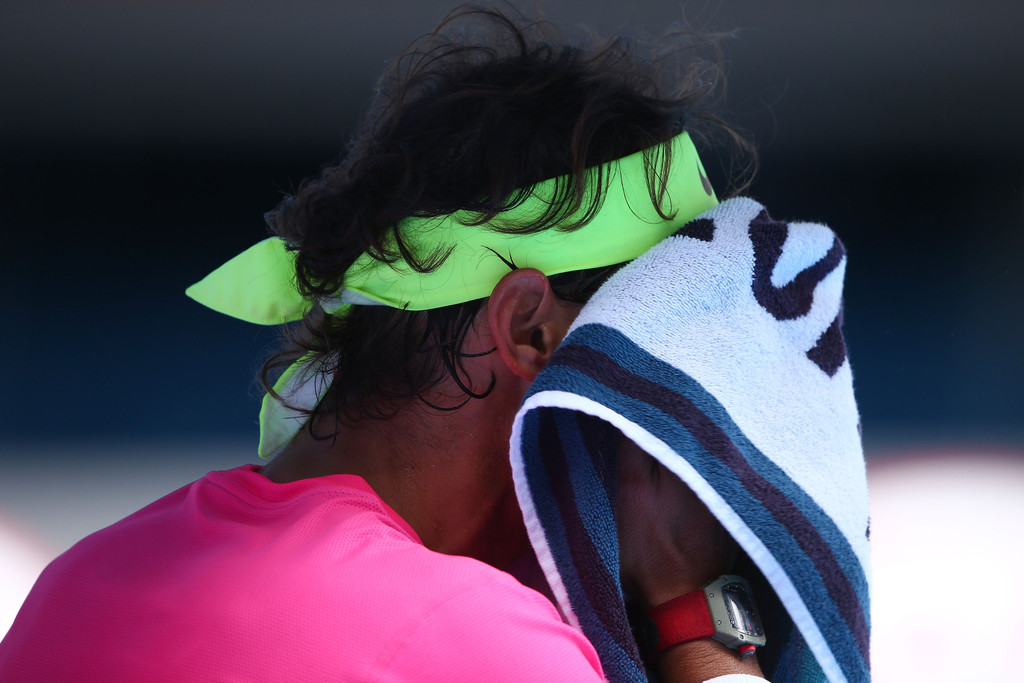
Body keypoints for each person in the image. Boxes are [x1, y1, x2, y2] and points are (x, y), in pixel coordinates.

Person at [0, 4, 766, 681]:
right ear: (529, 326)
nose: (680, 408)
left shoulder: (80, 581)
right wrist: (691, 607)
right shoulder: (477, 640)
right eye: (662, 343)